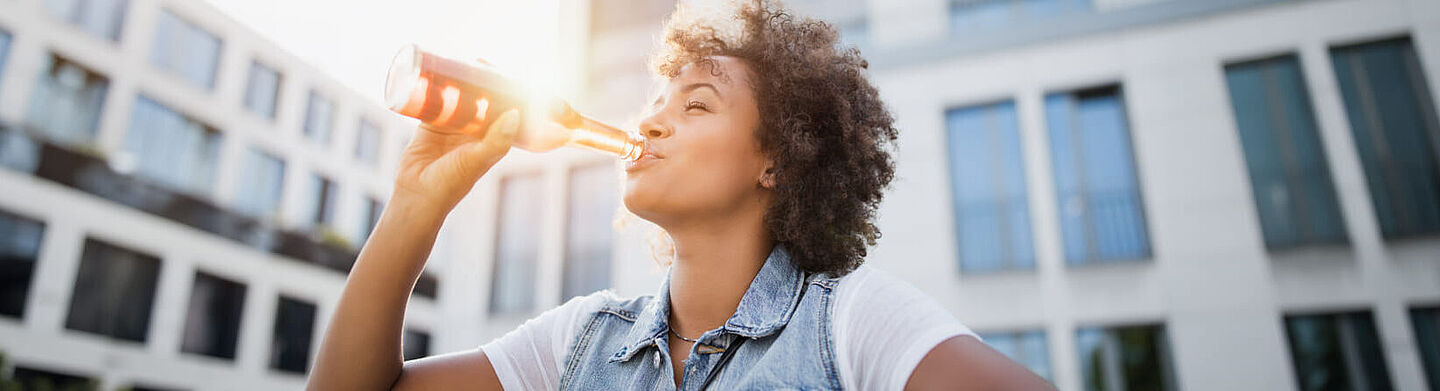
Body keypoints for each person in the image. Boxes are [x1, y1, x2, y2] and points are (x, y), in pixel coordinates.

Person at [307, 1, 1055, 389]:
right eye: (656, 98)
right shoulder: (580, 342)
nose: (653, 119)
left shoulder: (851, 322)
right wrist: (416, 203)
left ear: (777, 161)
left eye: (696, 104)